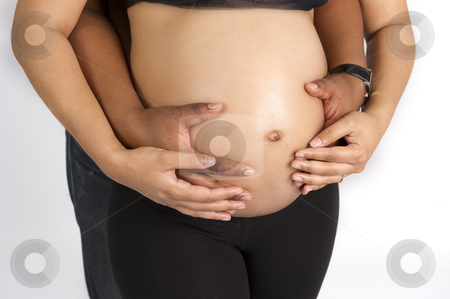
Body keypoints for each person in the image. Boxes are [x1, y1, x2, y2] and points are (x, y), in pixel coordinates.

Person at [11, 0, 413, 298]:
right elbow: (43, 27)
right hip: (170, 202)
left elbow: (384, 18)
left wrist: (367, 97)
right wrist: (116, 154)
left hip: (307, 196)